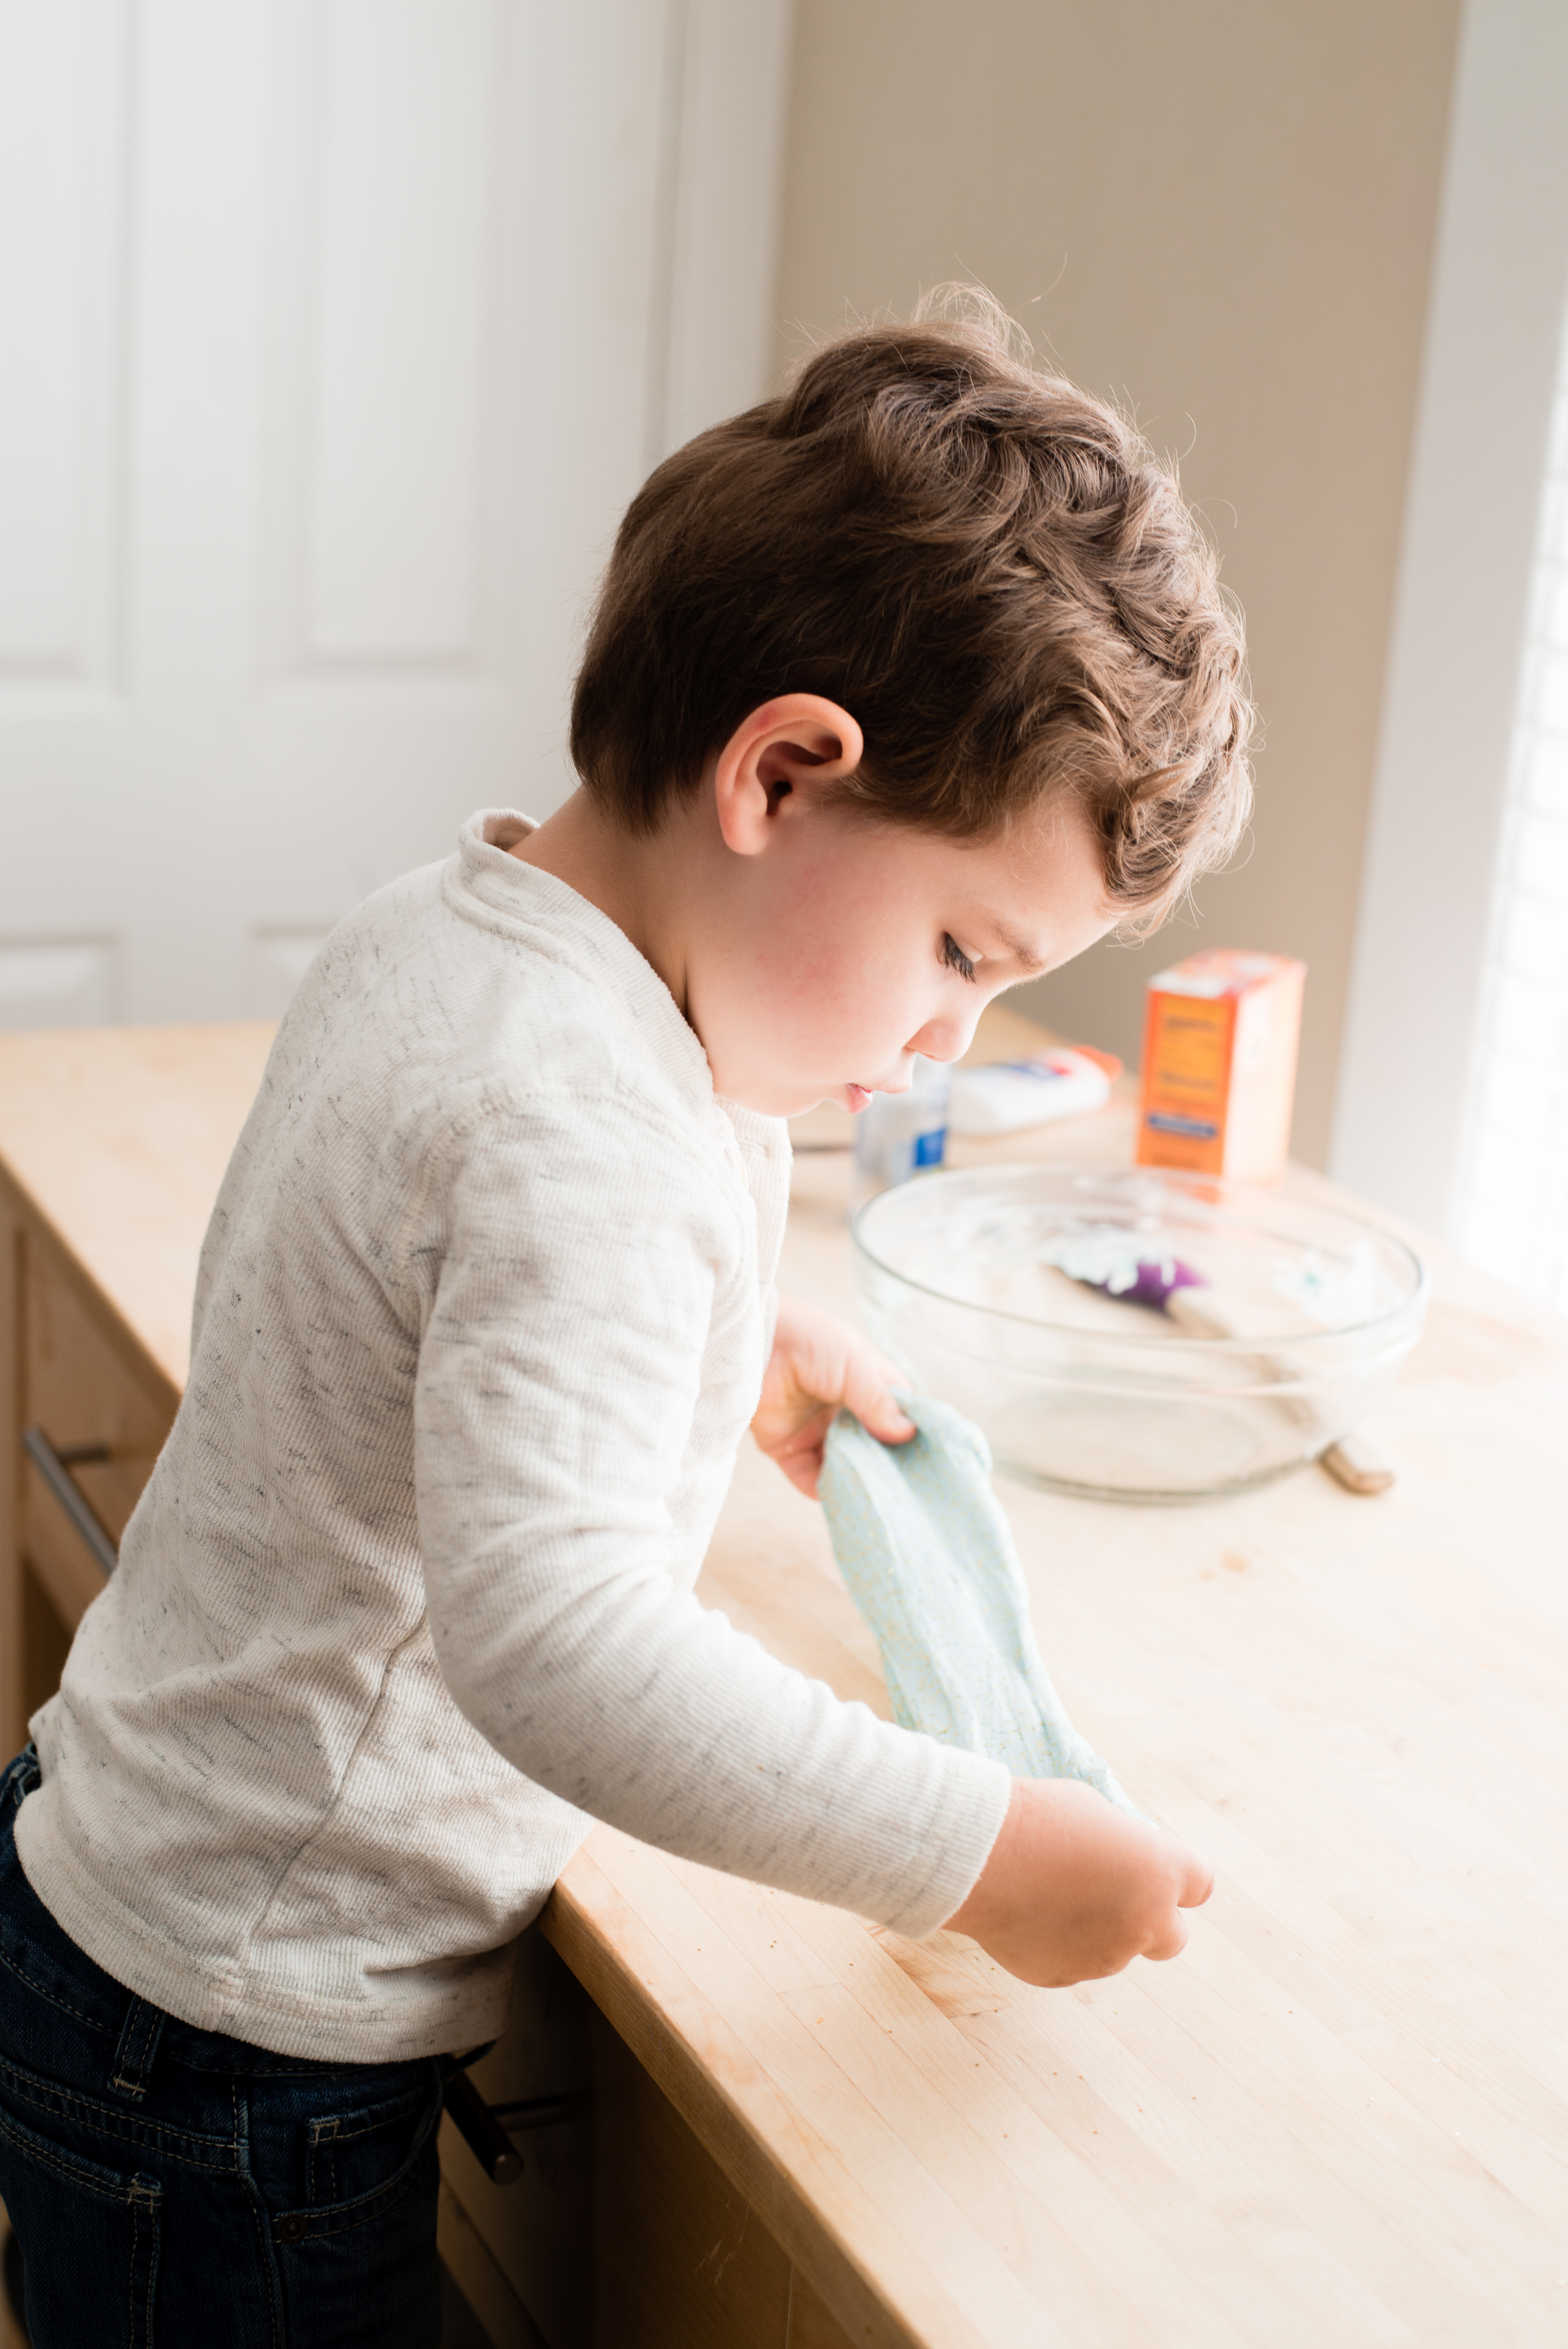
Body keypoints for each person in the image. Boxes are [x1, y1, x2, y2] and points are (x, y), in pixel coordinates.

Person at [0, 292, 1249, 2345]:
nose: (948, 1041)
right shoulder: (588, 1124)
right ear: (781, 772)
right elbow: (561, 1650)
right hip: (244, 2053)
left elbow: (418, 1303)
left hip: (129, 1896)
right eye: (961, 948)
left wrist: (721, 1347)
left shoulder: (469, 926)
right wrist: (976, 1849)